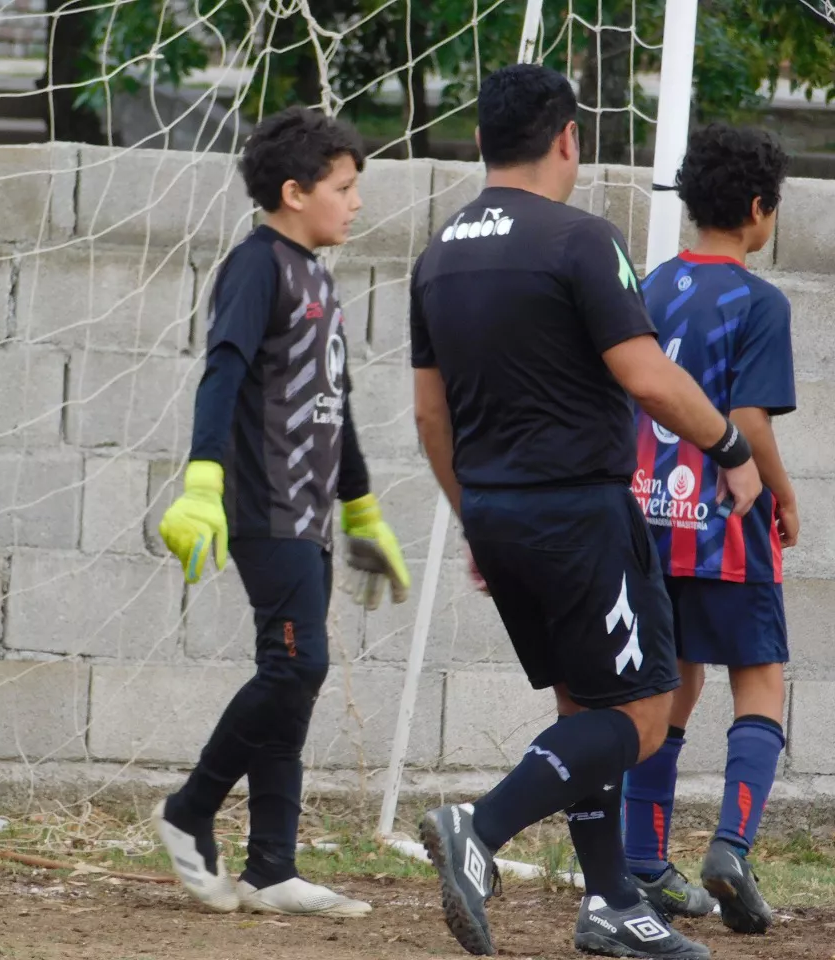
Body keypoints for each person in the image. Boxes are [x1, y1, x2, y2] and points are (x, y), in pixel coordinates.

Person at [410, 63, 763, 959]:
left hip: (494, 512)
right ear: (569, 137)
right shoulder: (580, 238)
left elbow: (429, 415)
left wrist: (472, 515)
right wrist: (731, 449)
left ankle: (609, 903)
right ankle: (481, 827)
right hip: (578, 514)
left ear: (482, 140)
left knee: (586, 712)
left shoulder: (437, 252)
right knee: (641, 718)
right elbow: (647, 377)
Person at [151, 106, 411, 917]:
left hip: (312, 514)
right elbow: (223, 369)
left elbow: (337, 400)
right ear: (295, 193)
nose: (356, 202)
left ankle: (271, 867)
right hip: (262, 503)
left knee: (295, 680)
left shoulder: (319, 275)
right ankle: (189, 809)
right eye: (344, 187)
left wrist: (361, 508)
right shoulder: (255, 265)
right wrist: (202, 481)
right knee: (296, 666)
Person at [622, 123, 795, 935]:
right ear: (759, 208)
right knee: (759, 679)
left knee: (672, 684)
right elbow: (748, 420)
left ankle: (643, 859)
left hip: (651, 521)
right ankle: (731, 847)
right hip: (726, 522)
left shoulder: (650, 286)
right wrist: (783, 495)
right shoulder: (759, 302)